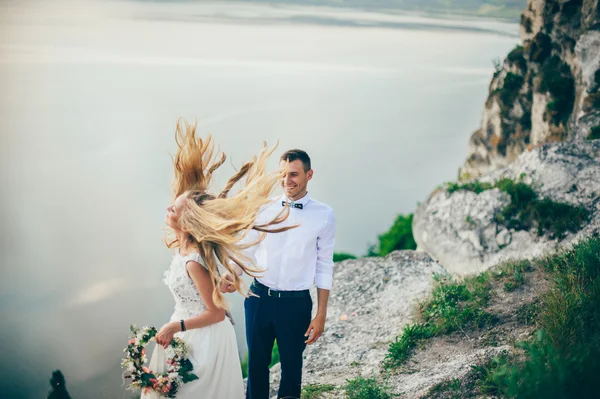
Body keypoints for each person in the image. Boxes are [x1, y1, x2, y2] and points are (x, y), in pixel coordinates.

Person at [142, 120, 291, 399]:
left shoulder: (193, 262)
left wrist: (176, 326)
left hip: (204, 337)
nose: (167, 208)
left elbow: (217, 312)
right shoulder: (183, 249)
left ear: (185, 222)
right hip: (190, 332)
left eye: (173, 208)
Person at [222, 149, 336, 399]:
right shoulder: (263, 208)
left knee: (292, 370)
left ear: (309, 174)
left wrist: (321, 314)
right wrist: (233, 275)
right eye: (283, 175)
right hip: (258, 298)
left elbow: (324, 265)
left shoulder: (324, 216)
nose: (287, 181)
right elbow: (247, 249)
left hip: (296, 304)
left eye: (294, 174)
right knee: (257, 368)